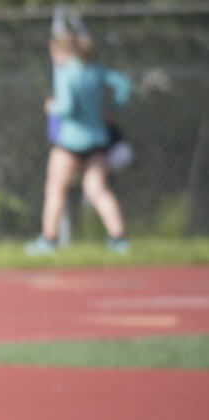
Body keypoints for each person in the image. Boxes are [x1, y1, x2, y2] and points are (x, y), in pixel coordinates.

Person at [25, 30, 132, 255]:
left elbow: (66, 107)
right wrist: (112, 109)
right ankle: (119, 238)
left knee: (55, 190)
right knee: (98, 190)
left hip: (70, 143)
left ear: (62, 50)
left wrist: (51, 107)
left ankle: (49, 240)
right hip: (98, 140)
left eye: (54, 51)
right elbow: (124, 85)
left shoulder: (65, 73)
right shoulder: (95, 70)